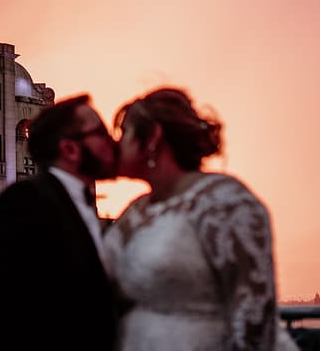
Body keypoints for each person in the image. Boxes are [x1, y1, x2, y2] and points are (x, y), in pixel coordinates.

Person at [103, 87, 299, 351]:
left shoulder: (225, 202)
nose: (116, 144)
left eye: (124, 133)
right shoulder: (135, 210)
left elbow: (253, 318)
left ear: (153, 137)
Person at [0, 93, 120, 351]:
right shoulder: (23, 203)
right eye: (101, 132)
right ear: (70, 149)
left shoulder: (79, 204)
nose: (112, 141)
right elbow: (0, 314)